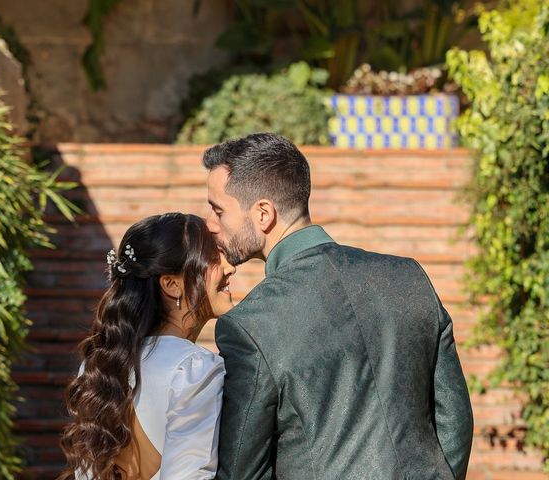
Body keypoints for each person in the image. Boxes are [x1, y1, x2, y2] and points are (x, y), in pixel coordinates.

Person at [203, 133, 474, 479]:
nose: (211, 224)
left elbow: (242, 470)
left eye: (217, 209)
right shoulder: (409, 276)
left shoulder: (249, 325)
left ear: (263, 214)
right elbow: (455, 419)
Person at [60, 213, 235, 480]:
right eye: (212, 259)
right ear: (172, 284)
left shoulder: (98, 367)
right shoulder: (193, 369)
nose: (229, 267)